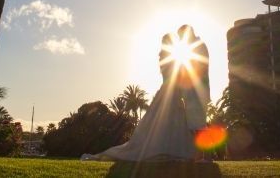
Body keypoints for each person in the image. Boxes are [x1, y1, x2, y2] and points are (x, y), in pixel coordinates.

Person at [82, 25, 210, 162]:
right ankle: (193, 154)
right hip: (173, 92)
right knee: (190, 124)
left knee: (195, 124)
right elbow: (176, 75)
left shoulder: (194, 48)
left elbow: (193, 71)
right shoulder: (172, 56)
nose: (181, 40)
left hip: (188, 93)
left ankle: (198, 155)